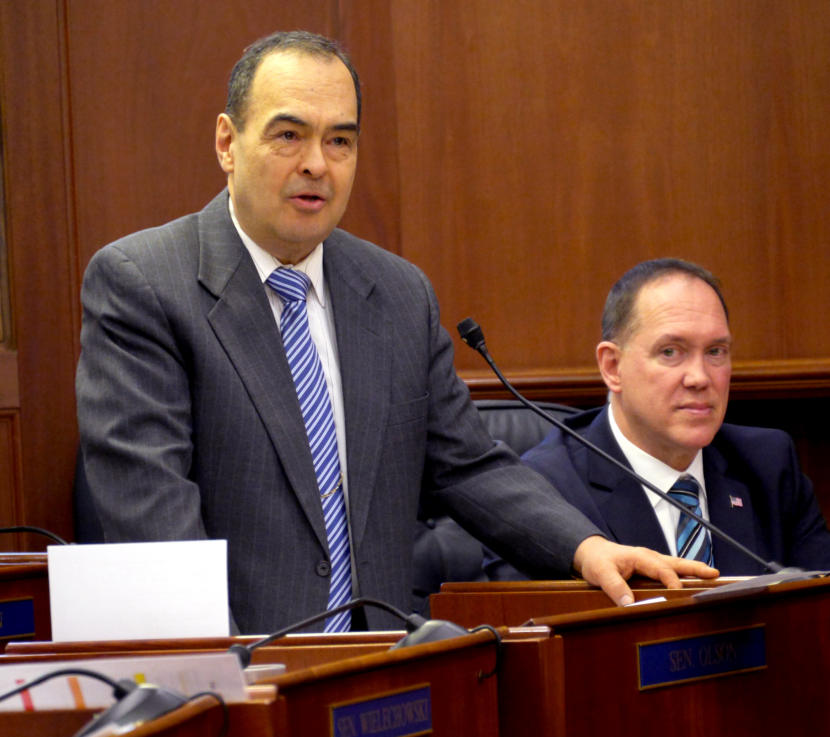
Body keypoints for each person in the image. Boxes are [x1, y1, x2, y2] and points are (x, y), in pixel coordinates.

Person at [74, 31, 715, 634]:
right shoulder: (144, 284)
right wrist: (234, 673)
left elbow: (467, 465)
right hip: (241, 677)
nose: (317, 165)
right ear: (226, 142)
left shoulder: (397, 293)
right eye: (289, 135)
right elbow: (153, 514)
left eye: (340, 141)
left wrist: (587, 548)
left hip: (382, 678)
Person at [519, 258, 830, 575]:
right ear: (612, 367)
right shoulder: (545, 489)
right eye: (670, 351)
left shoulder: (768, 463)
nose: (699, 377)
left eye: (715, 352)